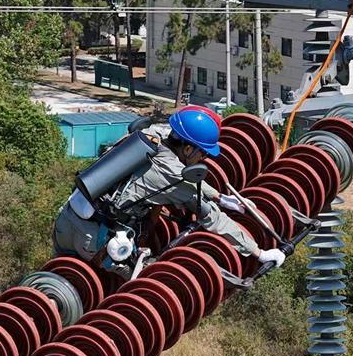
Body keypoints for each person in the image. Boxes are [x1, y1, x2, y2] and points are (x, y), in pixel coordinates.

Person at [52, 106, 287, 278]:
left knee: (61, 276)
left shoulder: (151, 138)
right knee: (151, 281)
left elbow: (181, 178)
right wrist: (258, 252)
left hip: (65, 221)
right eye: (203, 153)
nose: (204, 159)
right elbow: (213, 219)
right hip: (94, 243)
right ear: (187, 148)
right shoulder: (176, 177)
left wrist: (220, 197)